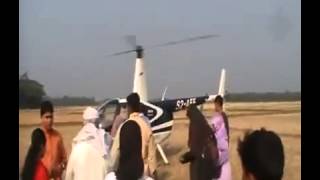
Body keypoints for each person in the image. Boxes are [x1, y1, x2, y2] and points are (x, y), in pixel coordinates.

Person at [108, 93, 157, 178]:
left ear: (129, 107)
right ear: (138, 106)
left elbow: (115, 152)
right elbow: (152, 156)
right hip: (143, 172)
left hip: (125, 173)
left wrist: (111, 169)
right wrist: (154, 174)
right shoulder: (146, 126)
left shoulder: (123, 127)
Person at [65, 107, 108, 180]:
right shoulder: (103, 148)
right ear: (97, 123)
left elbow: (69, 176)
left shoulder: (77, 148)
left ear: (84, 123)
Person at [180, 105, 220, 180]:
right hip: (208, 163)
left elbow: (195, 150)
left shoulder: (195, 126)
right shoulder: (204, 125)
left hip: (199, 165)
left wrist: (185, 157)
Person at [40, 101, 67, 180]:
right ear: (41, 118)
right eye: (47, 117)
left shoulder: (57, 136)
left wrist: (60, 167)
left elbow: (65, 159)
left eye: (51, 117)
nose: (50, 120)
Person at [209, 96, 231, 180]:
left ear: (217, 104)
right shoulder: (224, 116)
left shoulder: (217, 117)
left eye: (215, 105)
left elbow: (211, 130)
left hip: (218, 149)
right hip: (225, 147)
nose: (214, 107)